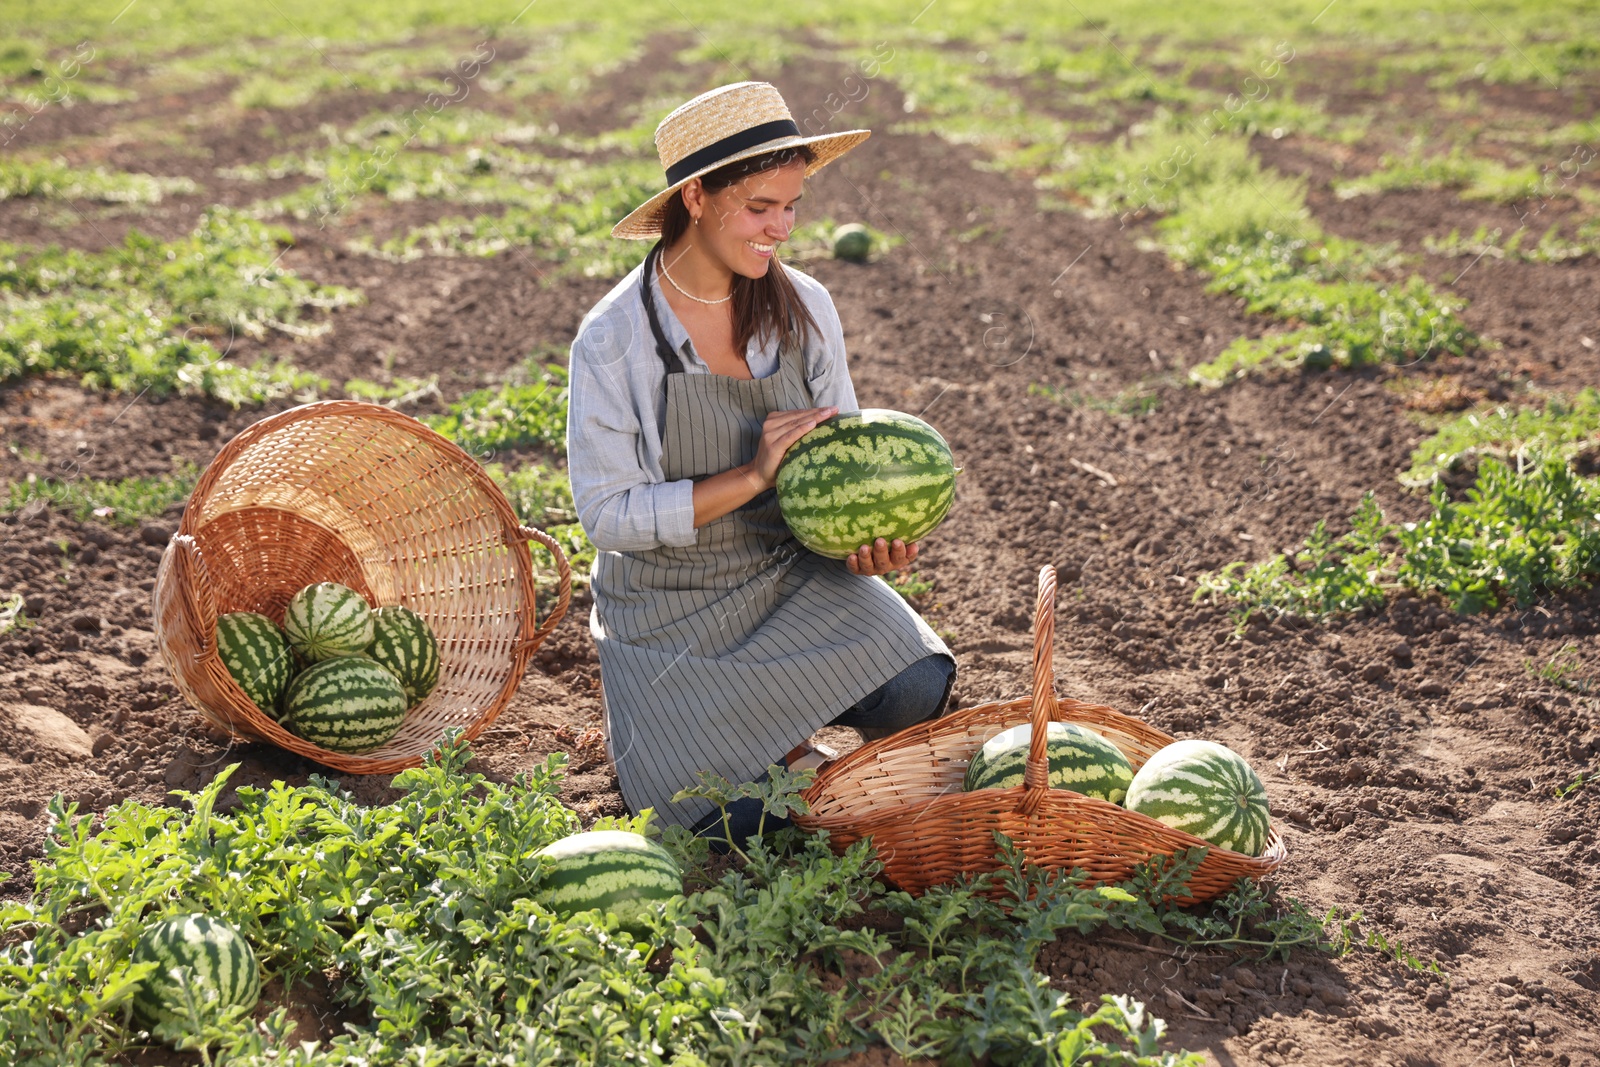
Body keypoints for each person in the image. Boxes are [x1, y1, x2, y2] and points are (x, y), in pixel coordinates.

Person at [565, 81, 956, 845]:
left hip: (784, 571)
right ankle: (780, 750)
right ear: (698, 197)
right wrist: (750, 475)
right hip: (669, 611)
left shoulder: (805, 306)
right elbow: (606, 515)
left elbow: (842, 459)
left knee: (919, 683)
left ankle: (798, 748)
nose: (780, 227)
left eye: (792, 206)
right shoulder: (613, 339)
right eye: (759, 207)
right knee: (738, 826)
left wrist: (866, 546)